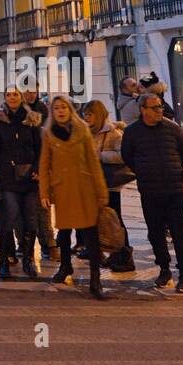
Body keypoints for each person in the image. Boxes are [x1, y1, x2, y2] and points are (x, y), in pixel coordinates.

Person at [39, 95, 109, 300]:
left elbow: (93, 163)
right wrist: (44, 192)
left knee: (91, 237)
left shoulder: (83, 131)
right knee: (63, 234)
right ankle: (65, 267)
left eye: (64, 107)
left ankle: (95, 280)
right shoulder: (49, 134)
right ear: (53, 112)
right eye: (57, 108)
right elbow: (44, 165)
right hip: (63, 190)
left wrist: (102, 191)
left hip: (84, 189)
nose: (60, 111)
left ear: (70, 110)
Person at [121, 92, 183, 292]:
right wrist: (144, 171)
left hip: (174, 189)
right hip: (150, 191)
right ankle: (164, 269)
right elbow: (128, 157)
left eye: (160, 106)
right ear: (143, 110)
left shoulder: (172, 128)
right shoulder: (132, 132)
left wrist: (174, 169)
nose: (160, 110)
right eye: (155, 107)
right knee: (156, 233)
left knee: (180, 233)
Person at [0, 87, 42, 280]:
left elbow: (40, 147)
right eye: (8, 94)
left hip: (29, 177)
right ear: (5, 98)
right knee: (9, 216)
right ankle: (5, 260)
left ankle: (28, 259)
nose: (12, 97)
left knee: (31, 218)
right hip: (8, 176)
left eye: (15, 94)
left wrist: (38, 169)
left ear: (21, 97)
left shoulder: (31, 119)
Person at [82, 99, 134, 273]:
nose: (87, 117)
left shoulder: (113, 132)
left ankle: (125, 255)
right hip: (92, 183)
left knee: (114, 220)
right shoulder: (86, 132)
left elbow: (123, 155)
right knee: (98, 220)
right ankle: (109, 252)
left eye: (90, 114)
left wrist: (100, 155)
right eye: (85, 114)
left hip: (110, 184)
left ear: (99, 114)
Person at [20, 79, 57, 260]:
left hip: (42, 164)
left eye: (33, 91)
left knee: (44, 206)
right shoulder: (17, 111)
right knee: (25, 210)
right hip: (22, 167)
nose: (31, 94)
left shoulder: (44, 109)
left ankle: (49, 244)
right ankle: (24, 245)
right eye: (27, 91)